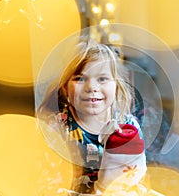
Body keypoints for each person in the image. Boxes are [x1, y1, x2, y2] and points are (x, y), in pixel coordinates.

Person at [37, 40, 149, 195]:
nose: (91, 87)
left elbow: (137, 178)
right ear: (65, 87)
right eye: (80, 79)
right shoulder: (55, 128)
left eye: (102, 79)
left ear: (116, 85)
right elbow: (48, 188)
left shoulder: (128, 125)